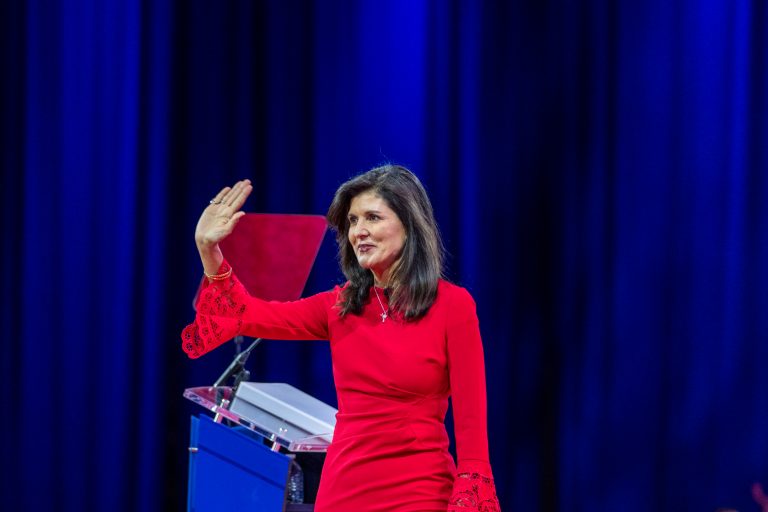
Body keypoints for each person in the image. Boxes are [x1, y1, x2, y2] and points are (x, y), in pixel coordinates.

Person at [182, 165, 500, 511]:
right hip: (344, 492)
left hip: (421, 492)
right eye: (352, 221)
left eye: (372, 218)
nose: (358, 231)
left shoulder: (453, 306)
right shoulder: (339, 306)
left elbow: (471, 426)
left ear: (409, 225)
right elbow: (243, 314)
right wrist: (208, 249)